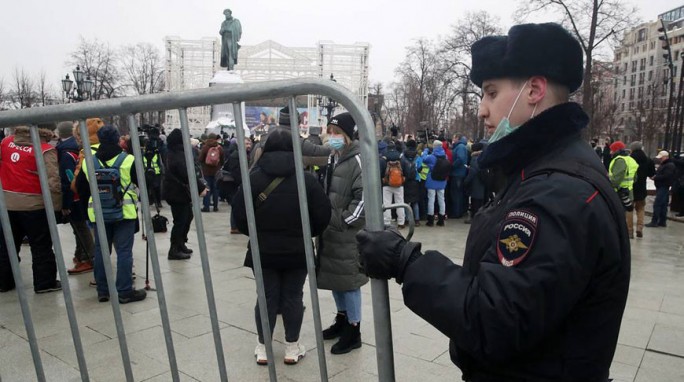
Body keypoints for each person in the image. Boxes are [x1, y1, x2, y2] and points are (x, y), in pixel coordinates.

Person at [357, 22, 630, 381]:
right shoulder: (545, 170)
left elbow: (494, 320)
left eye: (490, 93)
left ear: (534, 89)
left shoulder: (557, 193)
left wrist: (405, 261)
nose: (482, 110)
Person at [232, 127, 331, 365]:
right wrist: (307, 233)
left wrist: (256, 234)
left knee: (265, 297)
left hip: (262, 250)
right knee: (292, 297)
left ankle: (263, 347)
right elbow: (323, 215)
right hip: (298, 250)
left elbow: (239, 215)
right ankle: (291, 346)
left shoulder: (253, 179)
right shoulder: (307, 180)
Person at [76, 125, 146, 304]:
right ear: (117, 139)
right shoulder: (129, 160)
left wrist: (88, 210)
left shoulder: (88, 161)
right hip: (124, 212)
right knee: (124, 252)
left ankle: (103, 290)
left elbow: (82, 189)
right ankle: (124, 291)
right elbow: (142, 184)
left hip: (99, 213)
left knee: (101, 251)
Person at [317, 112, 367, 355]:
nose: (332, 136)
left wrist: (341, 220)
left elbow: (364, 201)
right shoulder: (333, 158)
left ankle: (354, 329)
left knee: (349, 283)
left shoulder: (358, 160)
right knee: (336, 279)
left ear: (348, 135)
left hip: (347, 233)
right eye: (330, 131)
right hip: (331, 232)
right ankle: (342, 319)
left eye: (337, 133)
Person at [0, 124, 63, 294]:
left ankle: (3, 281)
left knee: (6, 244)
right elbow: (53, 183)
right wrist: (57, 208)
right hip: (34, 205)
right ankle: (44, 282)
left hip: (7, 203)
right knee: (41, 245)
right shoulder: (44, 150)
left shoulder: (5, 143)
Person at [56, 121, 94, 274]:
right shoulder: (76, 149)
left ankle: (88, 257)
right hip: (81, 194)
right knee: (80, 227)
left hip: (75, 196)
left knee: (80, 227)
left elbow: (68, 179)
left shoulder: (65, 153)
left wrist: (65, 203)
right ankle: (81, 254)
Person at [162, 129, 207, 260]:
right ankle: (174, 249)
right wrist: (201, 188)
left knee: (187, 217)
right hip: (177, 193)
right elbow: (187, 174)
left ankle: (180, 243)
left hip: (178, 192)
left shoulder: (175, 151)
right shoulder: (178, 153)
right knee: (180, 221)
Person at [608, 140, 639, 239]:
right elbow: (635, 177)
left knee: (618, 215)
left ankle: (619, 234)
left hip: (619, 192)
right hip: (628, 191)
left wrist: (608, 180)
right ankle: (626, 233)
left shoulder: (620, 160)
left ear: (616, 150)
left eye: (612, 150)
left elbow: (616, 179)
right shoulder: (630, 159)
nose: (610, 152)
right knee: (625, 213)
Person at [379, 142, 409, 228]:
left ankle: (387, 222)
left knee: (387, 204)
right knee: (400, 203)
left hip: (386, 185)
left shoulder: (383, 157)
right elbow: (407, 169)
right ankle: (401, 222)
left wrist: (382, 179)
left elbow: (380, 171)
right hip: (399, 185)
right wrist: (404, 178)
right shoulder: (400, 157)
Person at [629, 141, 655, 237]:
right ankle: (639, 228)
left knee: (629, 209)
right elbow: (651, 174)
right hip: (642, 188)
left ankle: (630, 230)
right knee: (640, 208)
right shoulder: (648, 160)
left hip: (630, 187)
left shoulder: (629, 159)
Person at [646, 150, 677, 228]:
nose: (660, 159)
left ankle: (655, 221)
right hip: (663, 186)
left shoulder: (668, 165)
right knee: (663, 205)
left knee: (658, 204)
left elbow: (666, 176)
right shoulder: (667, 165)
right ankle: (662, 221)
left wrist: (656, 177)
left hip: (663, 186)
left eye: (661, 158)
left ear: (665, 157)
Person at [227, 137, 252, 234]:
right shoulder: (236, 155)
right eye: (246, 144)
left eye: (249, 143)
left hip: (241, 183)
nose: (249, 146)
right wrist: (242, 182)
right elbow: (235, 172)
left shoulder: (245, 154)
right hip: (236, 185)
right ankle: (234, 226)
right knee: (235, 205)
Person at [421, 140, 448, 226]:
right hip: (442, 180)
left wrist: (425, 150)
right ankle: (441, 219)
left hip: (432, 180)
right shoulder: (445, 156)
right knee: (441, 199)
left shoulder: (432, 157)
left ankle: (430, 220)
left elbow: (424, 159)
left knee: (431, 200)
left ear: (434, 146)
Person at [463, 142, 487, 224]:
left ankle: (474, 218)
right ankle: (479, 217)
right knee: (480, 201)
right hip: (482, 182)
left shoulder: (474, 159)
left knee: (475, 202)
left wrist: (465, 181)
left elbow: (472, 172)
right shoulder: (483, 157)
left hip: (475, 183)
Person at [199, 133, 224, 212]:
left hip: (206, 171)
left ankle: (206, 207)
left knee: (207, 188)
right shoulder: (219, 148)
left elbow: (200, 159)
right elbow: (223, 159)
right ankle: (215, 206)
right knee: (216, 189)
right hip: (216, 172)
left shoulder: (205, 147)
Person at [401, 140, 422, 226]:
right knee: (415, 201)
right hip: (416, 181)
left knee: (406, 201)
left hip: (406, 181)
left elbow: (401, 168)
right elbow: (420, 169)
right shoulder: (418, 156)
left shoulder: (403, 156)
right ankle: (417, 220)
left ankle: (407, 219)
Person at [450, 135, 469, 219]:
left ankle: (456, 212)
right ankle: (460, 211)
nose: (453, 140)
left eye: (454, 138)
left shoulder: (460, 147)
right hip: (460, 173)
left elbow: (460, 159)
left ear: (457, 138)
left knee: (456, 193)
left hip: (457, 174)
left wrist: (452, 166)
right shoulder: (461, 147)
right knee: (459, 193)